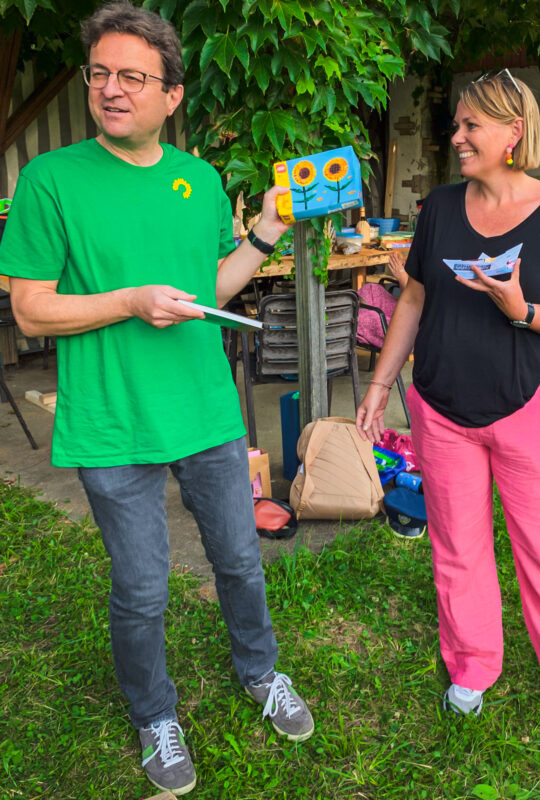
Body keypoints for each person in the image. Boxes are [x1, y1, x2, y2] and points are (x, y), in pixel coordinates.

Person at [0, 2, 313, 794]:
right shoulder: (50, 181)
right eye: (100, 73)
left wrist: (265, 235)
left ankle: (261, 671)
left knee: (241, 561)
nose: (112, 89)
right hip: (114, 420)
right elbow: (32, 307)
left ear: (171, 95)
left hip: (205, 410)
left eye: (133, 77)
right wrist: (129, 300)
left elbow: (206, 291)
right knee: (141, 588)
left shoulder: (198, 178)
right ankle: (154, 714)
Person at [356, 69, 540, 746]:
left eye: (472, 125)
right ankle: (472, 667)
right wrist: (383, 385)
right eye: (458, 125)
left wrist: (521, 309)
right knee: (457, 549)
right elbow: (413, 298)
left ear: (514, 132)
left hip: (527, 406)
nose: (458, 136)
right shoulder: (440, 206)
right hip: (439, 408)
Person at [356, 250, 409, 348]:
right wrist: (403, 272)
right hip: (405, 309)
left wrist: (402, 275)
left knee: (366, 317)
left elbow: (415, 298)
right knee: (371, 289)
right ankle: (356, 318)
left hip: (413, 326)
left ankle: (353, 321)